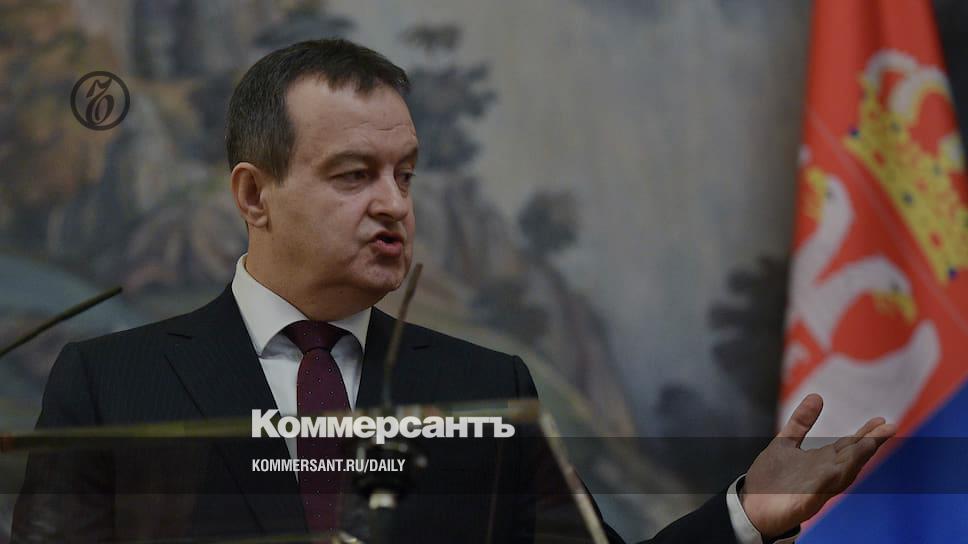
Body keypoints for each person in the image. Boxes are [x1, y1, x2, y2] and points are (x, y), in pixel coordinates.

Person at [12, 39, 894, 543]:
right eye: (354, 174)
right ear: (254, 195)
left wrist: (745, 515)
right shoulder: (110, 384)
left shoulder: (486, 386)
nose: (393, 204)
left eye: (405, 174)